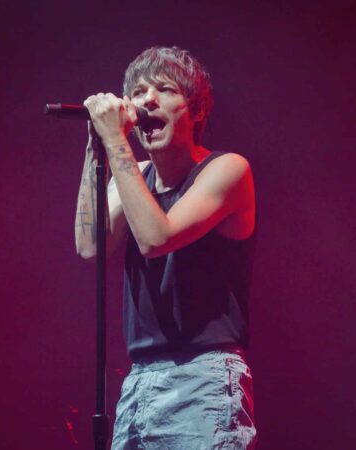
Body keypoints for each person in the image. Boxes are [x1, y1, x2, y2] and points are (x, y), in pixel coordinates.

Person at [74, 46, 257, 449]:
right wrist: (96, 145)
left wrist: (116, 143)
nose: (147, 101)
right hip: (140, 378)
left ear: (196, 111)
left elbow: (157, 239)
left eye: (164, 89)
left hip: (203, 376)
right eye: (137, 92)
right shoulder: (136, 174)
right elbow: (91, 247)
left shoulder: (226, 169)